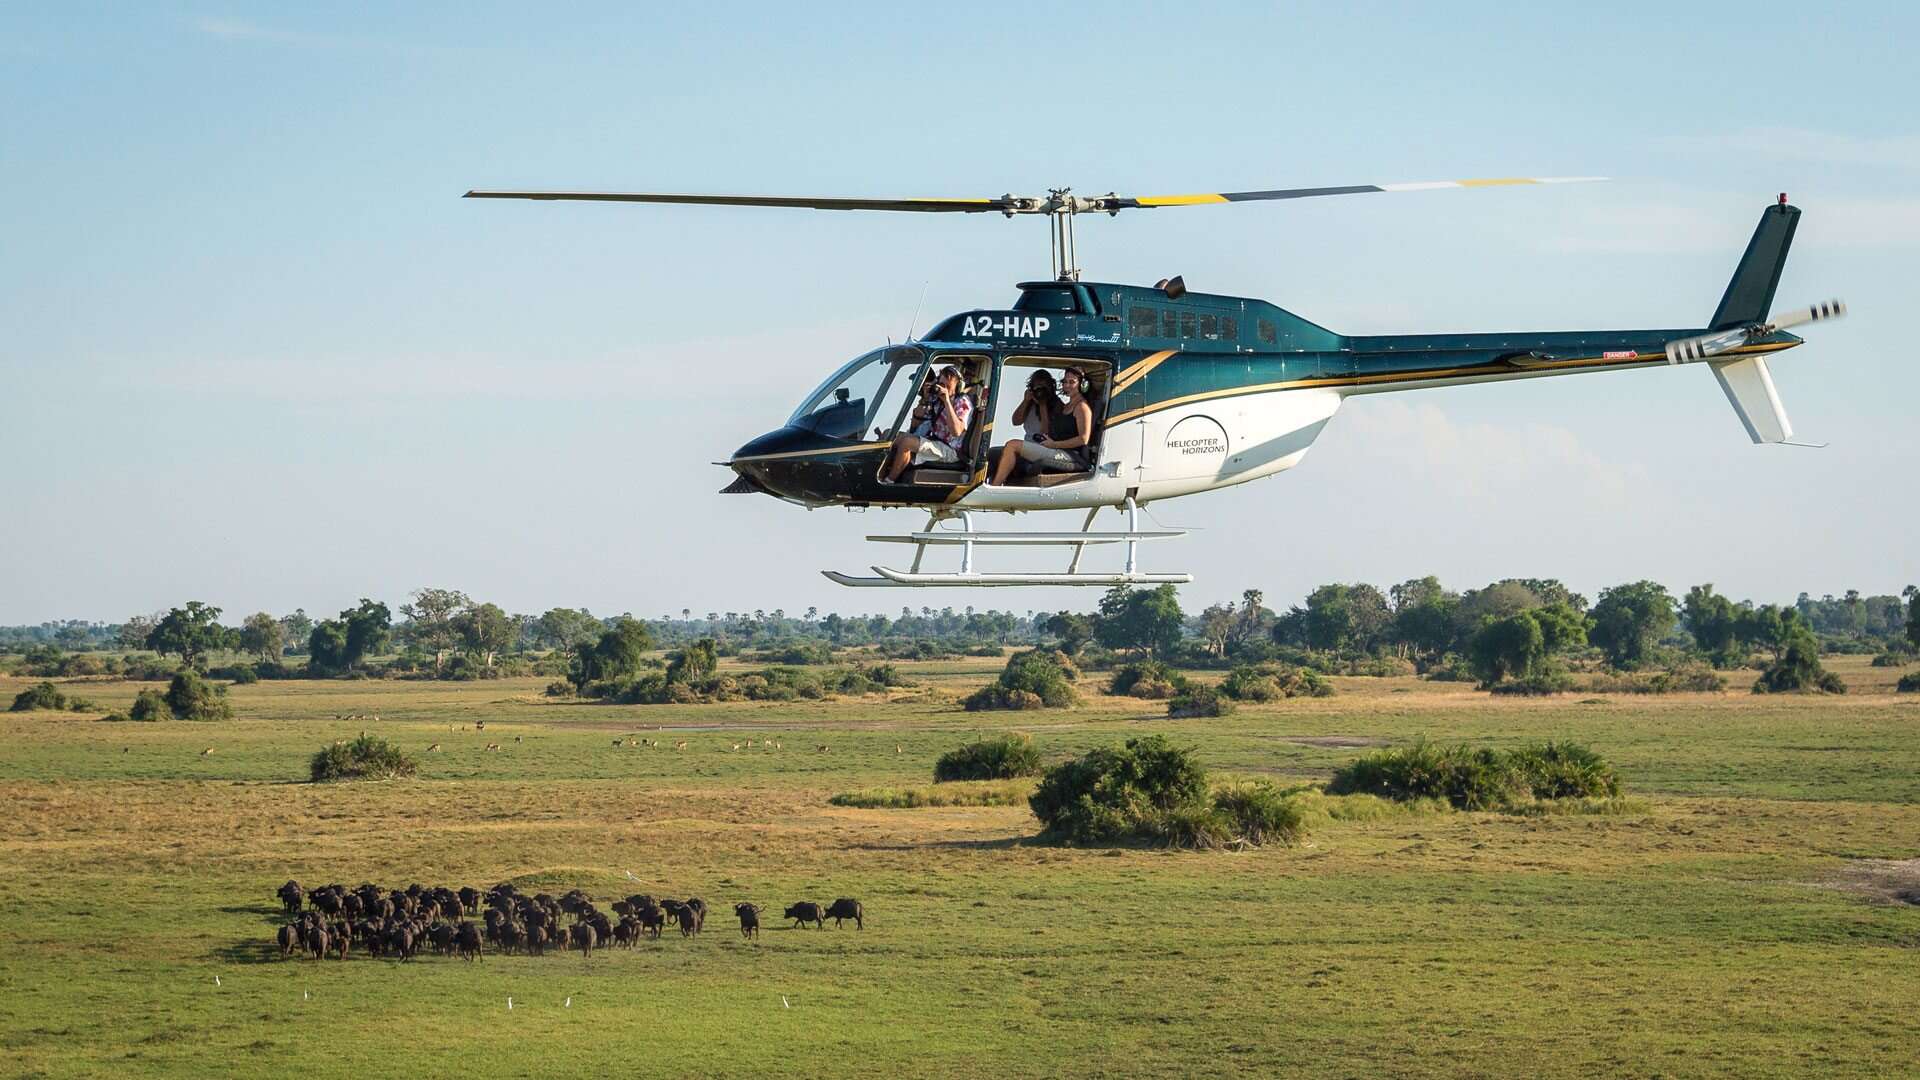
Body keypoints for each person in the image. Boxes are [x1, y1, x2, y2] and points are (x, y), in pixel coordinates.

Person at [991, 367, 1095, 484]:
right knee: (994, 452)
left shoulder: (1081, 407)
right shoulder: (1066, 406)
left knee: (1012, 445)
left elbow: (1083, 439)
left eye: (1072, 382)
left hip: (1069, 455)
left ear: (1082, 384)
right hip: (1054, 448)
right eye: (1065, 382)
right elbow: (1016, 421)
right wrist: (1027, 401)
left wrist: (1054, 444)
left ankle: (993, 488)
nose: (1067, 385)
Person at [882, 366, 972, 482]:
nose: (943, 389)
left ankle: (888, 481)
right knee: (890, 435)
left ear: (958, 387)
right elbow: (915, 426)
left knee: (907, 442)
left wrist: (947, 402)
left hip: (950, 450)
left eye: (947, 386)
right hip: (934, 441)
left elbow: (957, 432)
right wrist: (926, 399)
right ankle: (879, 475)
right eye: (941, 385)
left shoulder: (962, 402)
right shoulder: (937, 401)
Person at [1012, 369, 1060, 441]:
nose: (1040, 392)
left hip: (1046, 444)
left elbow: (1046, 433)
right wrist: (1025, 401)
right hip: (1029, 442)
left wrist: (1042, 405)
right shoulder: (1030, 402)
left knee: (1012, 445)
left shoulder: (1057, 404)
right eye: (1038, 387)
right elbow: (1016, 422)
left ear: (1050, 387)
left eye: (1044, 388)